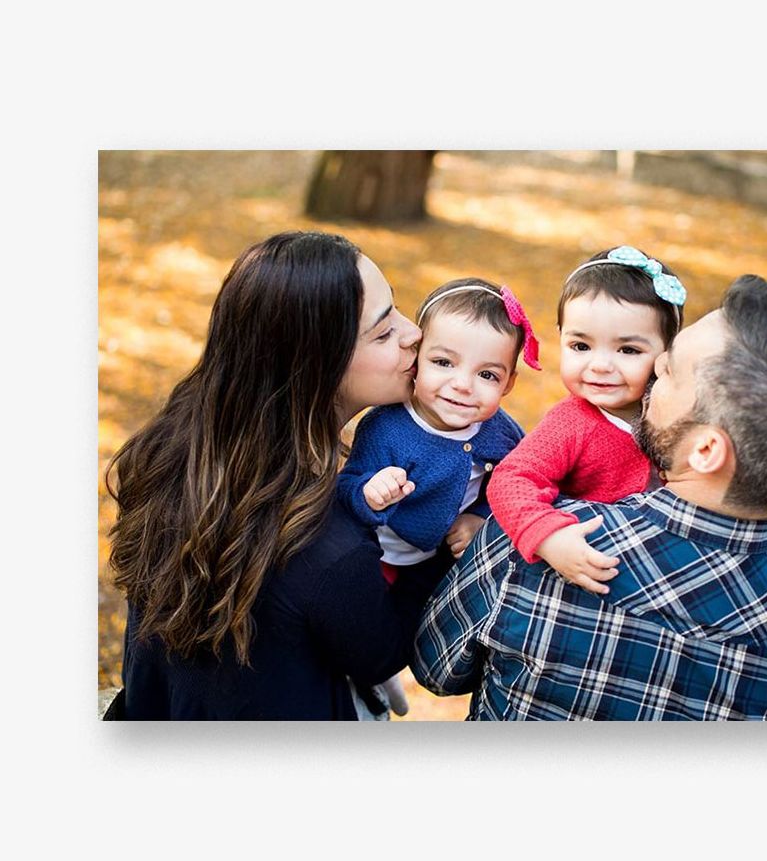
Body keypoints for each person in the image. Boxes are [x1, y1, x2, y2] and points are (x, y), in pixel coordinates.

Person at [412, 274, 767, 720]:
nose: (651, 367)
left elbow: (436, 669)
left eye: (670, 372)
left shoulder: (539, 546)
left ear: (707, 449)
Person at [107, 231, 424, 719]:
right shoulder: (326, 546)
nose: (414, 333)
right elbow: (381, 652)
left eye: (396, 310)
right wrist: (440, 541)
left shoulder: (171, 451)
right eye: (383, 333)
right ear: (315, 366)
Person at [337, 279, 539, 710]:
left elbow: (514, 479)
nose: (463, 385)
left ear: (508, 384)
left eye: (487, 374)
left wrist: (481, 516)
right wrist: (370, 494)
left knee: (417, 629)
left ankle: (389, 671)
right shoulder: (388, 428)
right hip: (379, 552)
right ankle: (360, 678)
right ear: (417, 361)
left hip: (435, 560)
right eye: (444, 362)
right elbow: (348, 487)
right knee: (358, 628)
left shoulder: (500, 431)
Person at [486, 246, 684, 594]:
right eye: (581, 346)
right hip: (587, 570)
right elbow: (511, 479)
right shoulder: (572, 423)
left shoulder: (674, 412)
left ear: (666, 354)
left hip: (661, 566)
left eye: (628, 350)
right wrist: (548, 536)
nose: (601, 365)